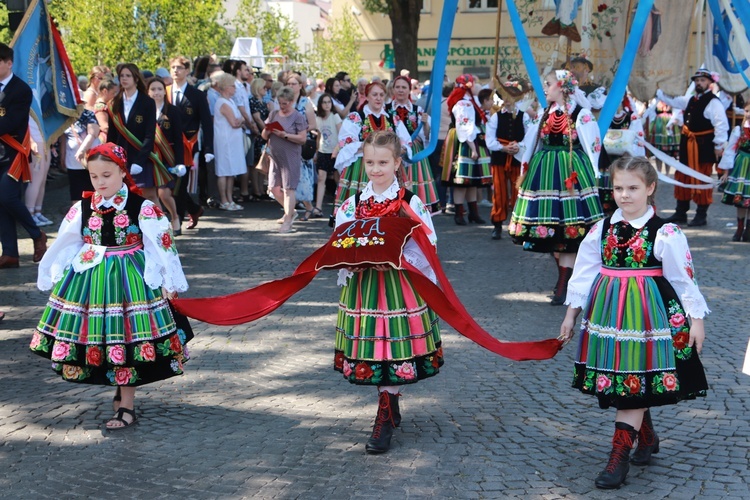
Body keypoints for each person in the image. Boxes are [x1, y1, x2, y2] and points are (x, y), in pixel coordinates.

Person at [560, 155, 708, 489]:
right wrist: (571, 314)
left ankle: (618, 458)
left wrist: (695, 319)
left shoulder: (665, 232)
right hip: (607, 315)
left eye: (633, 188)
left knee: (634, 378)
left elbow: (683, 279)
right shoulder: (602, 228)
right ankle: (648, 435)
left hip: (648, 316)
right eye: (618, 188)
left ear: (651, 188)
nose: (624, 195)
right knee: (624, 379)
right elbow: (584, 272)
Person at [30, 143, 191, 430]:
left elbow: (162, 245)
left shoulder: (141, 207)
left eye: (107, 175)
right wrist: (56, 270)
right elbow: (67, 241)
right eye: (94, 177)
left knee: (127, 339)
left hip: (131, 281)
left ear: (121, 172)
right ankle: (119, 390)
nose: (101, 182)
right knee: (103, 337)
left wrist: (167, 279)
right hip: (91, 280)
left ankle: (127, 406)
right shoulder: (82, 207)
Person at [335, 130, 440, 454]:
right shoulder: (353, 203)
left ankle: (384, 413)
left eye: (382, 162)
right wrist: (350, 261)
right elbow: (340, 240)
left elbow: (428, 243)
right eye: (369, 162)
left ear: (396, 163)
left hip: (398, 286)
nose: (376, 169)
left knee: (392, 348)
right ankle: (388, 404)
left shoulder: (410, 203)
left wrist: (400, 259)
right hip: (365, 287)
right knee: (374, 348)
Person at [508, 70, 603, 305]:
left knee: (570, 231)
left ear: (562, 87)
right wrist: (517, 149)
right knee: (551, 230)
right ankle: (565, 281)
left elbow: (593, 147)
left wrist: (593, 177)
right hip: (545, 175)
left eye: (548, 84)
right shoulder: (544, 113)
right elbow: (532, 141)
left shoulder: (581, 114)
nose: (545, 88)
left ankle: (564, 285)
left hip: (571, 174)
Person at [656, 70, 729, 226]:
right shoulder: (690, 99)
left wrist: (718, 145)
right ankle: (680, 213)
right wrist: (657, 89)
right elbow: (673, 101)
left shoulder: (714, 102)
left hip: (703, 147)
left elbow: (721, 124)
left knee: (702, 178)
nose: (699, 83)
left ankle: (701, 215)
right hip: (687, 145)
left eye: (702, 80)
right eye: (697, 80)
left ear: (709, 83)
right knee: (682, 176)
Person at [333, 81, 412, 218]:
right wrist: (367, 146)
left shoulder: (392, 119)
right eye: (374, 94)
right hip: (362, 167)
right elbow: (345, 140)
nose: (378, 98)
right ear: (367, 96)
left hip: (388, 167)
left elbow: (405, 141)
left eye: (381, 95)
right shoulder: (357, 117)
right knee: (359, 202)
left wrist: (400, 148)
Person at [0, 42, 47, 269]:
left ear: (9, 63)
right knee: (0, 202)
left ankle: (37, 234)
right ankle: (10, 253)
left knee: (7, 196)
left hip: (14, 153)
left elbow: (11, 122)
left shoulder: (20, 89)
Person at [167, 55, 214, 230]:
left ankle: (177, 220)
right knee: (167, 185)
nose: (175, 71)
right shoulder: (164, 92)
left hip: (187, 145)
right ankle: (194, 208)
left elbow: (206, 122)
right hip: (165, 145)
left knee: (179, 182)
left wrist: (208, 147)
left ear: (187, 71)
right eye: (173, 67)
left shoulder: (197, 95)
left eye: (179, 68)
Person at [107, 63, 160, 204]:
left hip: (141, 157)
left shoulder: (147, 102)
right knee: (123, 196)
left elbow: (150, 135)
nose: (124, 79)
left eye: (128, 76)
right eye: (122, 76)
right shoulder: (114, 103)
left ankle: (161, 225)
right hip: (121, 158)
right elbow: (111, 135)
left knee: (149, 196)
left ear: (136, 78)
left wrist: (140, 161)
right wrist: (110, 156)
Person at [443, 74, 492, 226]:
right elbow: (465, 127)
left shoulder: (470, 101)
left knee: (472, 182)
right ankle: (459, 214)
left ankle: (473, 213)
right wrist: (473, 148)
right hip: (466, 142)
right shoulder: (464, 104)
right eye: (476, 83)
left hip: (472, 140)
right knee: (461, 181)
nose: (478, 86)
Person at [386, 75, 439, 207]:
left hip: (414, 151)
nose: (400, 90)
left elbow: (426, 136)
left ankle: (414, 211)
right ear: (392, 89)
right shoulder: (386, 109)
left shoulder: (417, 110)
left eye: (404, 87)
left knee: (413, 180)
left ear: (409, 90)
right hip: (392, 149)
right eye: (397, 87)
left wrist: (426, 124)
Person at [486, 80, 529, 239]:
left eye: (511, 96)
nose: (508, 99)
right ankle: (497, 224)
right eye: (505, 96)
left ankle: (518, 224)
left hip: (518, 158)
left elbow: (529, 137)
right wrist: (504, 148)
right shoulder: (496, 117)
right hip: (500, 158)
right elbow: (489, 140)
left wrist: (518, 146)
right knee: (499, 191)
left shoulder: (524, 116)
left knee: (519, 191)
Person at [261, 86, 308, 233]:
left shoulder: (298, 116)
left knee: (288, 189)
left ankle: (288, 220)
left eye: (285, 103)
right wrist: (267, 130)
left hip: (290, 156)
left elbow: (302, 138)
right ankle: (291, 212)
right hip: (275, 156)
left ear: (292, 101)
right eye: (280, 103)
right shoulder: (274, 114)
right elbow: (264, 136)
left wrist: (285, 135)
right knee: (274, 189)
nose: (283, 106)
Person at [147, 77, 185, 235]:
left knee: (164, 193)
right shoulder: (143, 111)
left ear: (164, 91)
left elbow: (178, 138)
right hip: (150, 157)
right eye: (153, 89)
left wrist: (180, 162)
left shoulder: (173, 111)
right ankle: (160, 223)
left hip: (168, 157)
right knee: (150, 194)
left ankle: (174, 217)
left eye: (159, 89)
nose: (156, 92)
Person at [599, 96, 646, 215]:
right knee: (607, 188)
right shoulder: (604, 117)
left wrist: (632, 153)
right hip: (606, 160)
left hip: (625, 160)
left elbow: (637, 139)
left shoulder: (631, 117)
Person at [212, 72, 246, 211]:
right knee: (224, 170)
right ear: (226, 87)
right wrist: (241, 120)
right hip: (225, 141)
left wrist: (241, 120)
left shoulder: (230, 101)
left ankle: (230, 199)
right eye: (232, 86)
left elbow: (240, 119)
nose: (235, 88)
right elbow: (235, 122)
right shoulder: (222, 102)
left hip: (232, 141)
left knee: (231, 171)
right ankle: (224, 200)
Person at [718, 103, 750, 241]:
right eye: (747, 110)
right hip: (741, 166)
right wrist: (725, 172)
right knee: (740, 200)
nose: (748, 113)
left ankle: (748, 230)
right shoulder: (739, 129)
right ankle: (739, 228)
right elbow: (730, 150)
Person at [60, 108, 100, 202]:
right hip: (73, 161)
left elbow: (93, 133)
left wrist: (82, 150)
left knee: (93, 190)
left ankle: (94, 214)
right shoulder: (63, 116)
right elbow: (63, 138)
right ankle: (77, 214)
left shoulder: (88, 113)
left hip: (91, 158)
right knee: (76, 192)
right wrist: (62, 155)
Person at [314, 93, 342, 217]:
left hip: (335, 151)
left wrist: (339, 149)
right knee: (321, 177)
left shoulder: (335, 116)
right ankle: (318, 207)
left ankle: (341, 205)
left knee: (338, 178)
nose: (327, 105)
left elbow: (341, 134)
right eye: (324, 102)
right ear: (320, 104)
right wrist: (316, 152)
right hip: (323, 151)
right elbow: (319, 136)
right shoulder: (318, 118)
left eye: (329, 102)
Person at [93, 77, 118, 143]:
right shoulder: (101, 107)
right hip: (105, 140)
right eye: (113, 93)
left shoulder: (105, 105)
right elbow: (104, 127)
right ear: (105, 91)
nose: (114, 96)